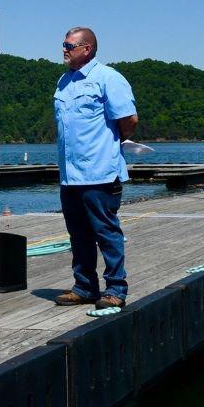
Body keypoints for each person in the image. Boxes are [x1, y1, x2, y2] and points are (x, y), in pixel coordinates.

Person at [53, 27, 138, 309]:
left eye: (69, 45)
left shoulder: (108, 79)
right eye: (63, 44)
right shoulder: (63, 82)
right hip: (70, 176)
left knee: (106, 233)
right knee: (78, 234)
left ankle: (115, 289)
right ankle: (85, 287)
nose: (63, 49)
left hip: (100, 173)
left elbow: (129, 120)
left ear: (86, 48)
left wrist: (109, 147)